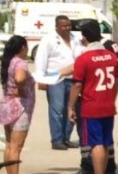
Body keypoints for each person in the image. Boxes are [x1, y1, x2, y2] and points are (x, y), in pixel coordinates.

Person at [67, 20, 118, 174]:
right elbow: (117, 80)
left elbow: (77, 85)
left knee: (96, 143)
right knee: (105, 142)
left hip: (91, 105)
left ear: (84, 37)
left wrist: (70, 106)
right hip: (107, 104)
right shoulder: (111, 56)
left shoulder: (83, 59)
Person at [33, 14, 82, 150]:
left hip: (73, 78)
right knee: (57, 109)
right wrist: (41, 79)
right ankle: (57, 140)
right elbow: (41, 60)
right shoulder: (48, 40)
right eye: (64, 26)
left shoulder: (75, 39)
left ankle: (66, 138)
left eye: (69, 26)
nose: (67, 28)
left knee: (70, 109)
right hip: (55, 79)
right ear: (57, 27)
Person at [0, 35, 36, 174]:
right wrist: (21, 90)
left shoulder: (8, 62)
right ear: (22, 48)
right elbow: (20, 79)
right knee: (16, 147)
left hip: (7, 105)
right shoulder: (20, 63)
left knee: (9, 145)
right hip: (20, 108)